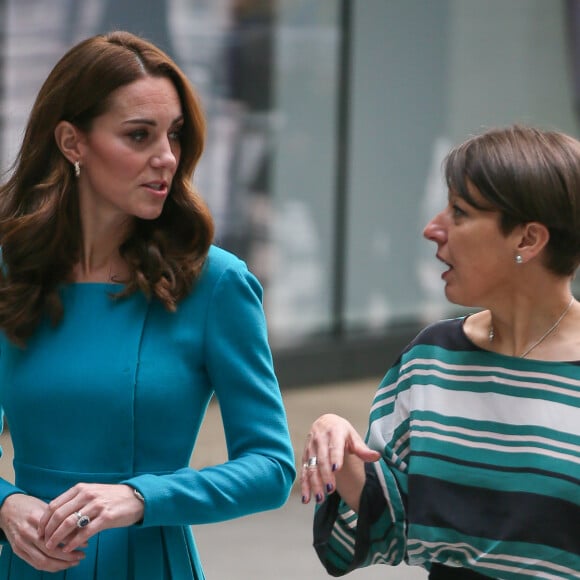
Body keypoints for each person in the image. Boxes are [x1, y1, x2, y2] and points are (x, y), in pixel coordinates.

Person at [0, 31, 295, 579]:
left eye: (175, 134)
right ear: (72, 143)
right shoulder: (9, 274)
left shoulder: (215, 283)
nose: (166, 158)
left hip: (149, 564)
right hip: (27, 566)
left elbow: (272, 467)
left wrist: (140, 498)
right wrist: (5, 505)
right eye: (139, 136)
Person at [301, 125, 580, 579]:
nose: (433, 229)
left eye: (460, 212)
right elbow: (396, 523)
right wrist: (336, 438)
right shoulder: (432, 358)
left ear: (528, 240)